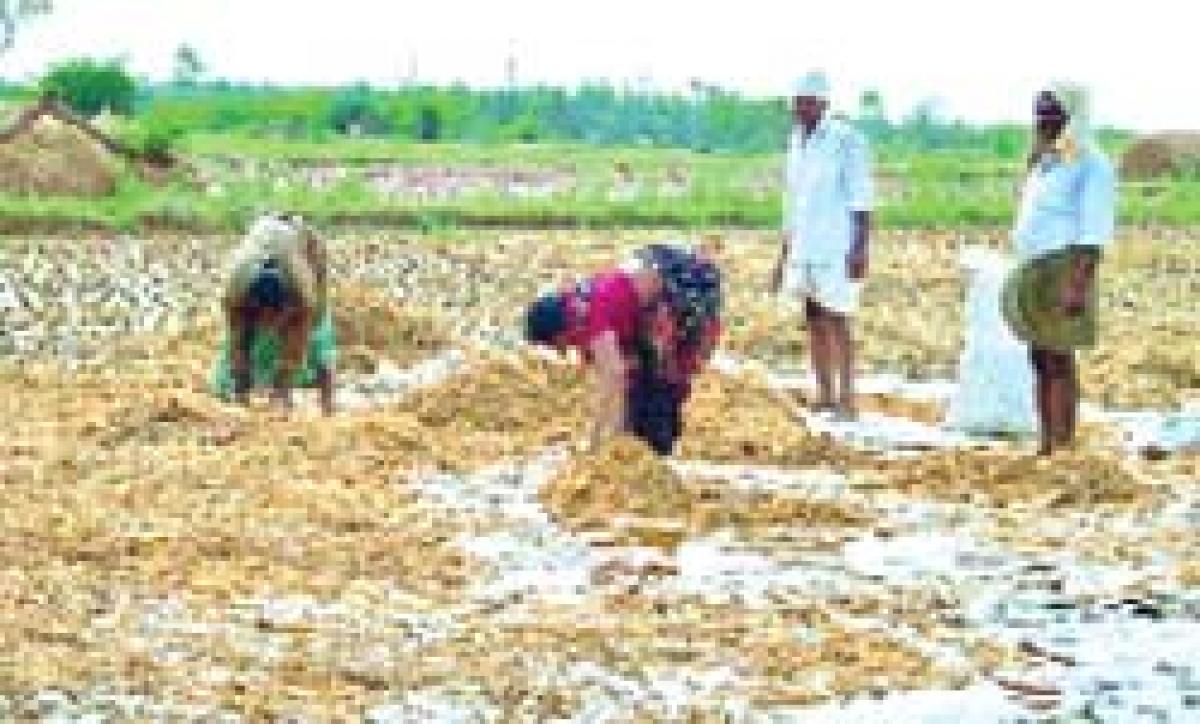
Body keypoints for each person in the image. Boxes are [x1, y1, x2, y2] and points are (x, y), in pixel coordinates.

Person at [1001, 83, 1116, 455]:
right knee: (1039, 357)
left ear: (1073, 113)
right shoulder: (1048, 161)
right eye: (1040, 111)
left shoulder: (1091, 163)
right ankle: (1046, 441)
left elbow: (1093, 232)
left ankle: (1063, 445)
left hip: (1065, 269)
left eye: (1053, 111)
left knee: (1059, 359)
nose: (1044, 119)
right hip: (1035, 269)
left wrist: (1077, 286)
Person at [524, 242, 721, 455]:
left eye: (554, 344)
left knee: (659, 388)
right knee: (639, 387)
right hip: (652, 298)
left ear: (558, 332)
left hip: (682, 290)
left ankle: (650, 448)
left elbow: (614, 375)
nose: (559, 350)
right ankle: (636, 445)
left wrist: (595, 444)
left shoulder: (590, 314)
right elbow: (619, 376)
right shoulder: (581, 308)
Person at [771, 70, 873, 420]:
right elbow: (792, 203)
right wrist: (782, 256)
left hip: (835, 245)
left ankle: (847, 397)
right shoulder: (796, 142)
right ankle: (825, 393)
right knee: (813, 315)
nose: (799, 110)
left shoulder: (845, 139)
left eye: (805, 103)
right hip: (804, 245)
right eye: (796, 103)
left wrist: (860, 248)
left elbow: (861, 197)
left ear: (822, 103)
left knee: (838, 317)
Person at [211, 213, 336, 415]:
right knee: (238, 351)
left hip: (303, 247)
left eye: (274, 317)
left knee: (317, 332)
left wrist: (282, 388)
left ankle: (326, 405)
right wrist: (241, 389)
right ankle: (241, 391)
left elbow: (296, 347)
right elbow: (237, 344)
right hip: (259, 248)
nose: (270, 323)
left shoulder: (303, 295)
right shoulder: (234, 293)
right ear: (251, 307)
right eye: (264, 317)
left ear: (287, 308)